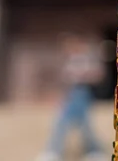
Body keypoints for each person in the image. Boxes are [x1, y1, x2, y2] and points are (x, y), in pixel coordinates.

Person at [37, 33, 106, 161]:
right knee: (66, 123)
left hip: (82, 91)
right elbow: (62, 79)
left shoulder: (86, 59)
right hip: (70, 93)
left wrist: (83, 75)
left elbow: (98, 75)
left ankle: (93, 150)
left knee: (81, 124)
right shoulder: (67, 60)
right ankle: (54, 151)